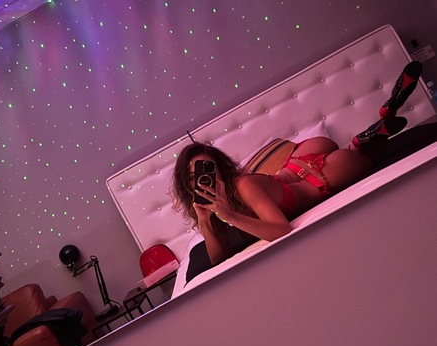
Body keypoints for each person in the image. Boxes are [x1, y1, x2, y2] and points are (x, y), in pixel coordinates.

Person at [171, 61, 422, 274]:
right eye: (193, 177)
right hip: (298, 159)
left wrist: (230, 216)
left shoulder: (243, 186)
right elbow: (218, 260)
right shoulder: (217, 206)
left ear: (220, 168)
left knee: (369, 156)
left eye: (207, 169)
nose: (202, 180)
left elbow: (282, 230)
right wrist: (205, 221)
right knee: (357, 150)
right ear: (186, 185)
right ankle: (382, 118)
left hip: (318, 177)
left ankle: (362, 142)